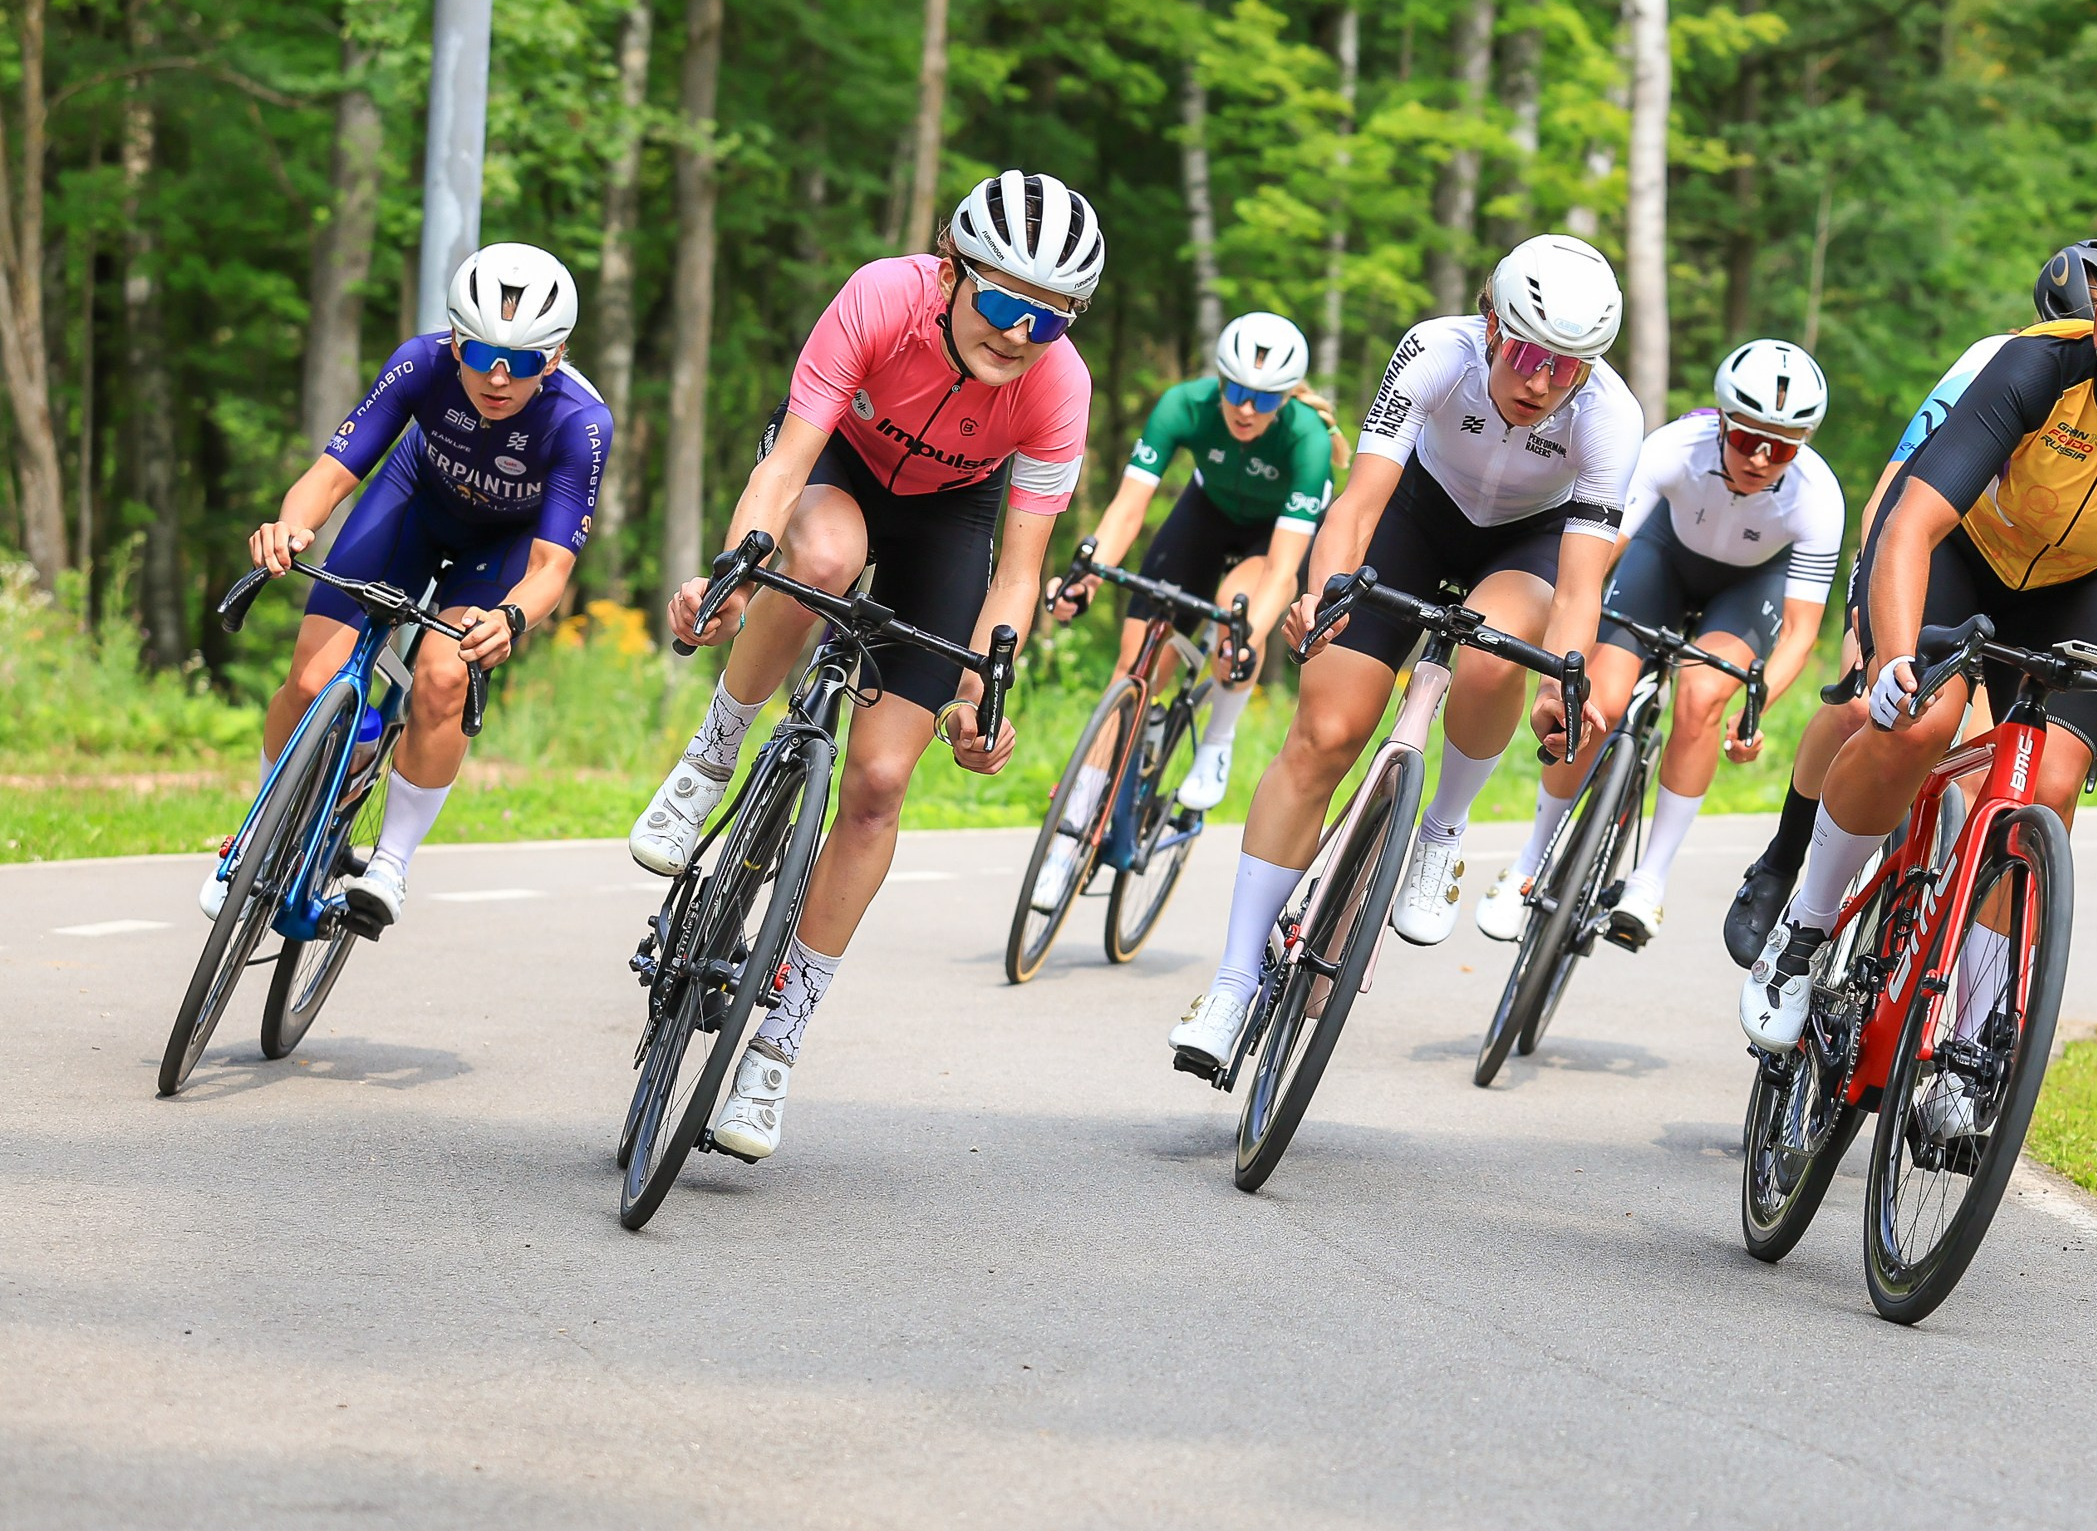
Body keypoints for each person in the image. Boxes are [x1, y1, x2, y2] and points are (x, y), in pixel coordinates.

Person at [631, 170, 1102, 1159]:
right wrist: (730, 578)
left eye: (1050, 319)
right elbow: (784, 464)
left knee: (883, 779)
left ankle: (780, 1041)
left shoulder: (1059, 388)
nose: (1021, 334)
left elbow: (1018, 574)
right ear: (952, 270)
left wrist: (978, 692)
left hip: (951, 516)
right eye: (1004, 303)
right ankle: (713, 751)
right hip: (835, 464)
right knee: (825, 559)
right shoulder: (885, 295)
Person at [1738, 213, 2097, 1058]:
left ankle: (1975, 1037)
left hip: (2077, 585)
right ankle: (1804, 929)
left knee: (2050, 784)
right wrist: (1894, 662)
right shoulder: (2035, 366)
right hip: (1961, 552)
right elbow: (1909, 526)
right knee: (1924, 720)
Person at [1164, 233, 1641, 1076]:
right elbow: (1357, 504)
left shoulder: (1611, 416)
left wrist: (1561, 682)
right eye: (1528, 354)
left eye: (1567, 366)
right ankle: (1233, 983)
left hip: (1525, 544)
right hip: (1413, 517)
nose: (1542, 381)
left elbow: (1577, 589)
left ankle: (1442, 829)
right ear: (1492, 326)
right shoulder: (1435, 351)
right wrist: (1323, 593)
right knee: (1324, 735)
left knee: (1495, 653)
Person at [1719, 239, 2097, 965]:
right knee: (1868, 706)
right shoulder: (2001, 364)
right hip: (1939, 558)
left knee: (2005, 768)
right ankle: (1784, 859)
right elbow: (1899, 490)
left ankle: (1949, 952)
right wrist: (1877, 621)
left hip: (2048, 597)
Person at [204, 243, 610, 929]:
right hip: (414, 502)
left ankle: (390, 862)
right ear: (454, 341)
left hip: (501, 546)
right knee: (310, 679)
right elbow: (331, 474)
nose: (499, 379)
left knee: (443, 676)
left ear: (558, 356)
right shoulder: (420, 363)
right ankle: (258, 838)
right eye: (482, 354)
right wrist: (289, 527)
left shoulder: (581, 423)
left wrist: (510, 618)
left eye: (524, 362)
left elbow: (551, 567)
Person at [1476, 339, 1843, 947]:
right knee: (1597, 704)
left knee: (1702, 698)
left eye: (1781, 448)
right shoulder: (1673, 447)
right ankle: (1531, 860)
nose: (1760, 459)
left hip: (1749, 588)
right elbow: (1598, 555)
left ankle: (1649, 880)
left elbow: (1802, 631)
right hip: (1662, 561)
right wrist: (1566, 625)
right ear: (1721, 421)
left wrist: (1755, 711)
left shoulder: (1818, 496)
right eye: (1746, 438)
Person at [1029, 311, 1337, 909]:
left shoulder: (1308, 439)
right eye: (1236, 390)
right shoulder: (1183, 405)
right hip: (1205, 515)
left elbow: (1281, 571)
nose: (1246, 408)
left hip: (1272, 537)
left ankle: (1217, 739)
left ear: (1285, 398)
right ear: (1219, 380)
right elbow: (1127, 509)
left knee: (1234, 614)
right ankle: (1069, 836)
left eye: (1264, 399)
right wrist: (1086, 575)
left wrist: (1246, 639)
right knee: (1132, 670)